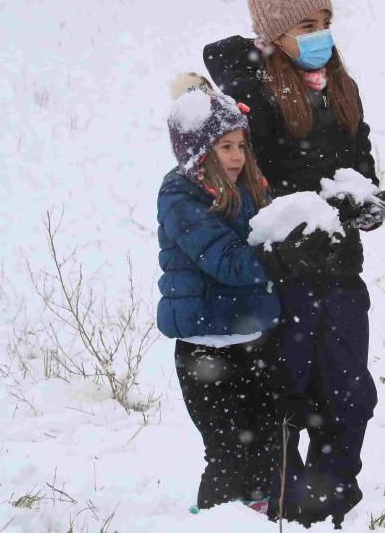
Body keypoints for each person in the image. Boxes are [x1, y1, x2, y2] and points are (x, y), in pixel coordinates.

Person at [203, 0, 380, 527]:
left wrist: (365, 201)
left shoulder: (341, 88)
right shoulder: (252, 98)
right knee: (286, 395)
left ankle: (331, 497)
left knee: (350, 395)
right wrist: (292, 220)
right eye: (307, 26)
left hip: (340, 269)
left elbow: (363, 162)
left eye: (325, 23)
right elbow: (246, 181)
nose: (320, 36)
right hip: (283, 277)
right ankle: (286, 502)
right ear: (275, 33)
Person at [157, 72, 280, 514]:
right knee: (227, 454)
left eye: (240, 146)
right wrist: (285, 256)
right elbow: (227, 260)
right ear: (197, 151)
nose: (235, 156)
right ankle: (215, 521)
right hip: (204, 350)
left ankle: (264, 516)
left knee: (267, 448)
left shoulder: (252, 189)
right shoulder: (180, 195)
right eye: (224, 147)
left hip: (253, 341)